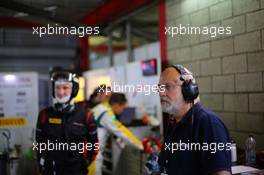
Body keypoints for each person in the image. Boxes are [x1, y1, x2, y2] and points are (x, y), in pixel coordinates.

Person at [156, 65, 231, 175]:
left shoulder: (208, 123)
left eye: (168, 86)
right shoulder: (173, 124)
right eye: (159, 88)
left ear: (188, 89)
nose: (161, 93)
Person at [35, 71, 98, 175]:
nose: (60, 92)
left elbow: (94, 145)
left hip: (77, 169)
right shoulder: (44, 115)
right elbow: (39, 144)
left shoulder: (85, 115)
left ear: (74, 90)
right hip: (51, 169)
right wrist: (41, 163)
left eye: (65, 88)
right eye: (57, 88)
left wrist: (85, 162)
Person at [92, 92, 143, 175]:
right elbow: (121, 131)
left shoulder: (101, 108)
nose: (123, 111)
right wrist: (140, 145)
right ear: (116, 104)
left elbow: (114, 130)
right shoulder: (106, 114)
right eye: (123, 108)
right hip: (92, 155)